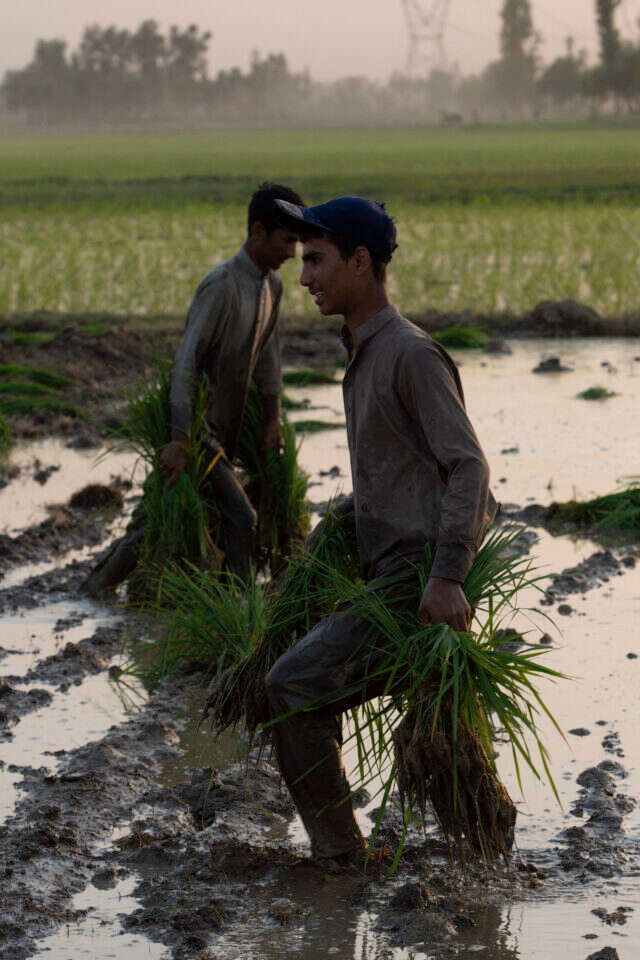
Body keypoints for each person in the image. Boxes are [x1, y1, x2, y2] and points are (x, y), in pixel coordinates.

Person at [265, 195, 496, 867]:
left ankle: (341, 859)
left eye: (316, 261)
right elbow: (403, 466)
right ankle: (489, 850)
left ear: (361, 262)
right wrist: (340, 522)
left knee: (293, 684)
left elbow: (468, 467)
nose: (304, 278)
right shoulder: (367, 351)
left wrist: (446, 576)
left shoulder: (410, 355)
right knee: (437, 727)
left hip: (414, 581)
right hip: (399, 574)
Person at [82, 183, 303, 597]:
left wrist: (272, 416)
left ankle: (98, 584)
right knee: (242, 517)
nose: (293, 252)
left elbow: (268, 356)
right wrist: (180, 438)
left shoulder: (271, 287)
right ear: (258, 231)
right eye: (287, 240)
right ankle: (240, 607)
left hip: (228, 431)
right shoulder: (221, 285)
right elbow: (185, 360)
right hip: (200, 431)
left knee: (162, 515)